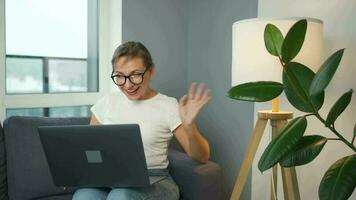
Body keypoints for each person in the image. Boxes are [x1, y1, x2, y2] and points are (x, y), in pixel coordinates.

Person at [73, 41, 211, 200]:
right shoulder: (106, 103)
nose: (128, 84)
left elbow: (202, 156)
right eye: (119, 76)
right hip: (112, 179)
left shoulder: (168, 106)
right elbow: (90, 150)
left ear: (151, 71)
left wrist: (189, 126)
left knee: (120, 197)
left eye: (136, 75)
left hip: (156, 181)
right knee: (84, 196)